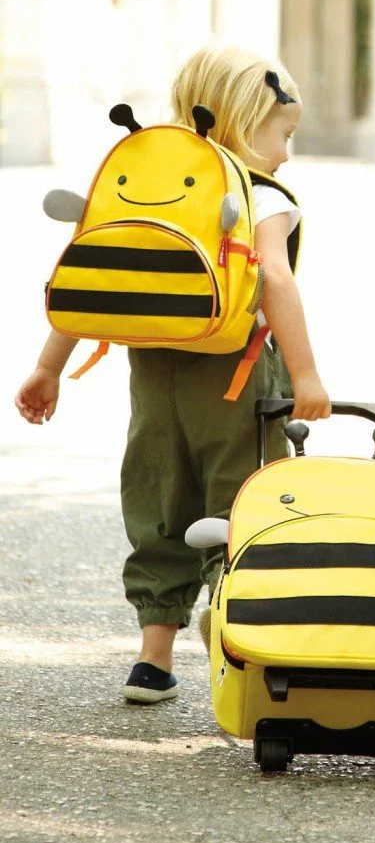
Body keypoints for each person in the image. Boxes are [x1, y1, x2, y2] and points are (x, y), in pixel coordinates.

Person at [14, 46, 331, 704]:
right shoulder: (260, 194)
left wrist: (49, 367)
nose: (287, 153)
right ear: (247, 120)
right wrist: (307, 378)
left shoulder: (149, 192)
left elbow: (99, 280)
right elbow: (275, 281)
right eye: (284, 134)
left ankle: (152, 661)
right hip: (238, 377)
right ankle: (238, 635)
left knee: (159, 498)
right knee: (243, 500)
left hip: (153, 372)